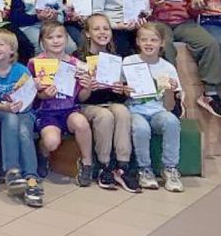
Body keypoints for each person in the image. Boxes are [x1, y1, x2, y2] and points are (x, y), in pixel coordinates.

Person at [139, 0, 221, 117]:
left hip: (183, 22)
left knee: (210, 43)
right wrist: (153, 4)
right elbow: (138, 6)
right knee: (165, 45)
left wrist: (197, 5)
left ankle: (210, 93)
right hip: (158, 21)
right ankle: (171, 94)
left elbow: (191, 11)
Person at [0, 29, 42, 207]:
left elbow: (28, 102)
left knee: (24, 132)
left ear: (12, 50)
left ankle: (31, 180)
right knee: (11, 119)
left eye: (0, 44)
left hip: (23, 111)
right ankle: (12, 171)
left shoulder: (21, 70)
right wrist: (7, 107)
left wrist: (28, 94)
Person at [76, 14, 139, 192]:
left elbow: (121, 95)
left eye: (106, 28)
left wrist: (121, 89)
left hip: (110, 102)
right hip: (87, 105)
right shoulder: (79, 58)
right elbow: (77, 97)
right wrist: (89, 87)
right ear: (88, 34)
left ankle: (122, 166)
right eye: (96, 29)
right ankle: (104, 166)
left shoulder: (116, 58)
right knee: (105, 116)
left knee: (122, 112)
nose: (102, 32)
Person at [28, 22, 94, 186]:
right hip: (46, 113)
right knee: (51, 142)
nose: (55, 41)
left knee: (81, 123)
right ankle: (43, 154)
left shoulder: (76, 64)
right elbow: (30, 97)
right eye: (50, 37)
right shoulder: (34, 63)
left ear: (66, 39)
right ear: (42, 41)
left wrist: (88, 87)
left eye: (59, 36)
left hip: (70, 110)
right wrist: (42, 94)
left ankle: (87, 164)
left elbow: (81, 97)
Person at [125, 24, 185, 192]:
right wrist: (124, 90)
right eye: (144, 39)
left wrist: (170, 91)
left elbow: (169, 106)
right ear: (137, 42)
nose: (149, 43)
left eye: (154, 40)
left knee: (172, 122)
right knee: (141, 128)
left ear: (162, 43)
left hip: (158, 111)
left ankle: (170, 169)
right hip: (134, 110)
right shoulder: (129, 62)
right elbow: (120, 92)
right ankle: (144, 169)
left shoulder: (168, 68)